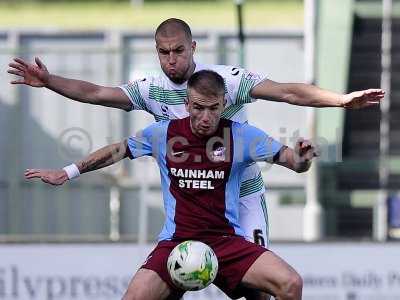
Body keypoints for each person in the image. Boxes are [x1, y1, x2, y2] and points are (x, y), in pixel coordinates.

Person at [25, 70, 318, 300]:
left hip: (225, 242)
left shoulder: (243, 136)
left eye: (214, 108)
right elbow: (117, 151)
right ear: (187, 104)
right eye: (199, 108)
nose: (206, 117)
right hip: (177, 242)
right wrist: (68, 171)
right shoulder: (162, 134)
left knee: (290, 284)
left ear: (224, 104)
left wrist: (304, 156)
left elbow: (294, 163)